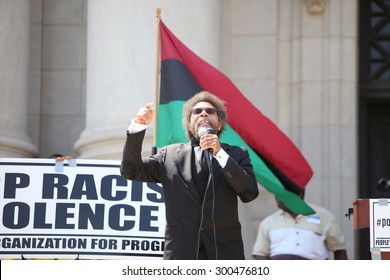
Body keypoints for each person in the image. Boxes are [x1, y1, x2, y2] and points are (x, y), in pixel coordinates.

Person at [120, 91, 259, 260]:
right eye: (197, 111)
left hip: (224, 253)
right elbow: (131, 171)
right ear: (189, 123)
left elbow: (249, 192)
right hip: (181, 253)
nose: (203, 114)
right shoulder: (169, 155)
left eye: (210, 111)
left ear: (219, 124)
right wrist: (138, 127)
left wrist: (220, 154)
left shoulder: (237, 155)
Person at [252, 190, 348, 260]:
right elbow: (260, 254)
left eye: (282, 192)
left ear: (299, 192)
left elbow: (339, 249)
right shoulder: (268, 222)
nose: (277, 196)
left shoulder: (324, 216)